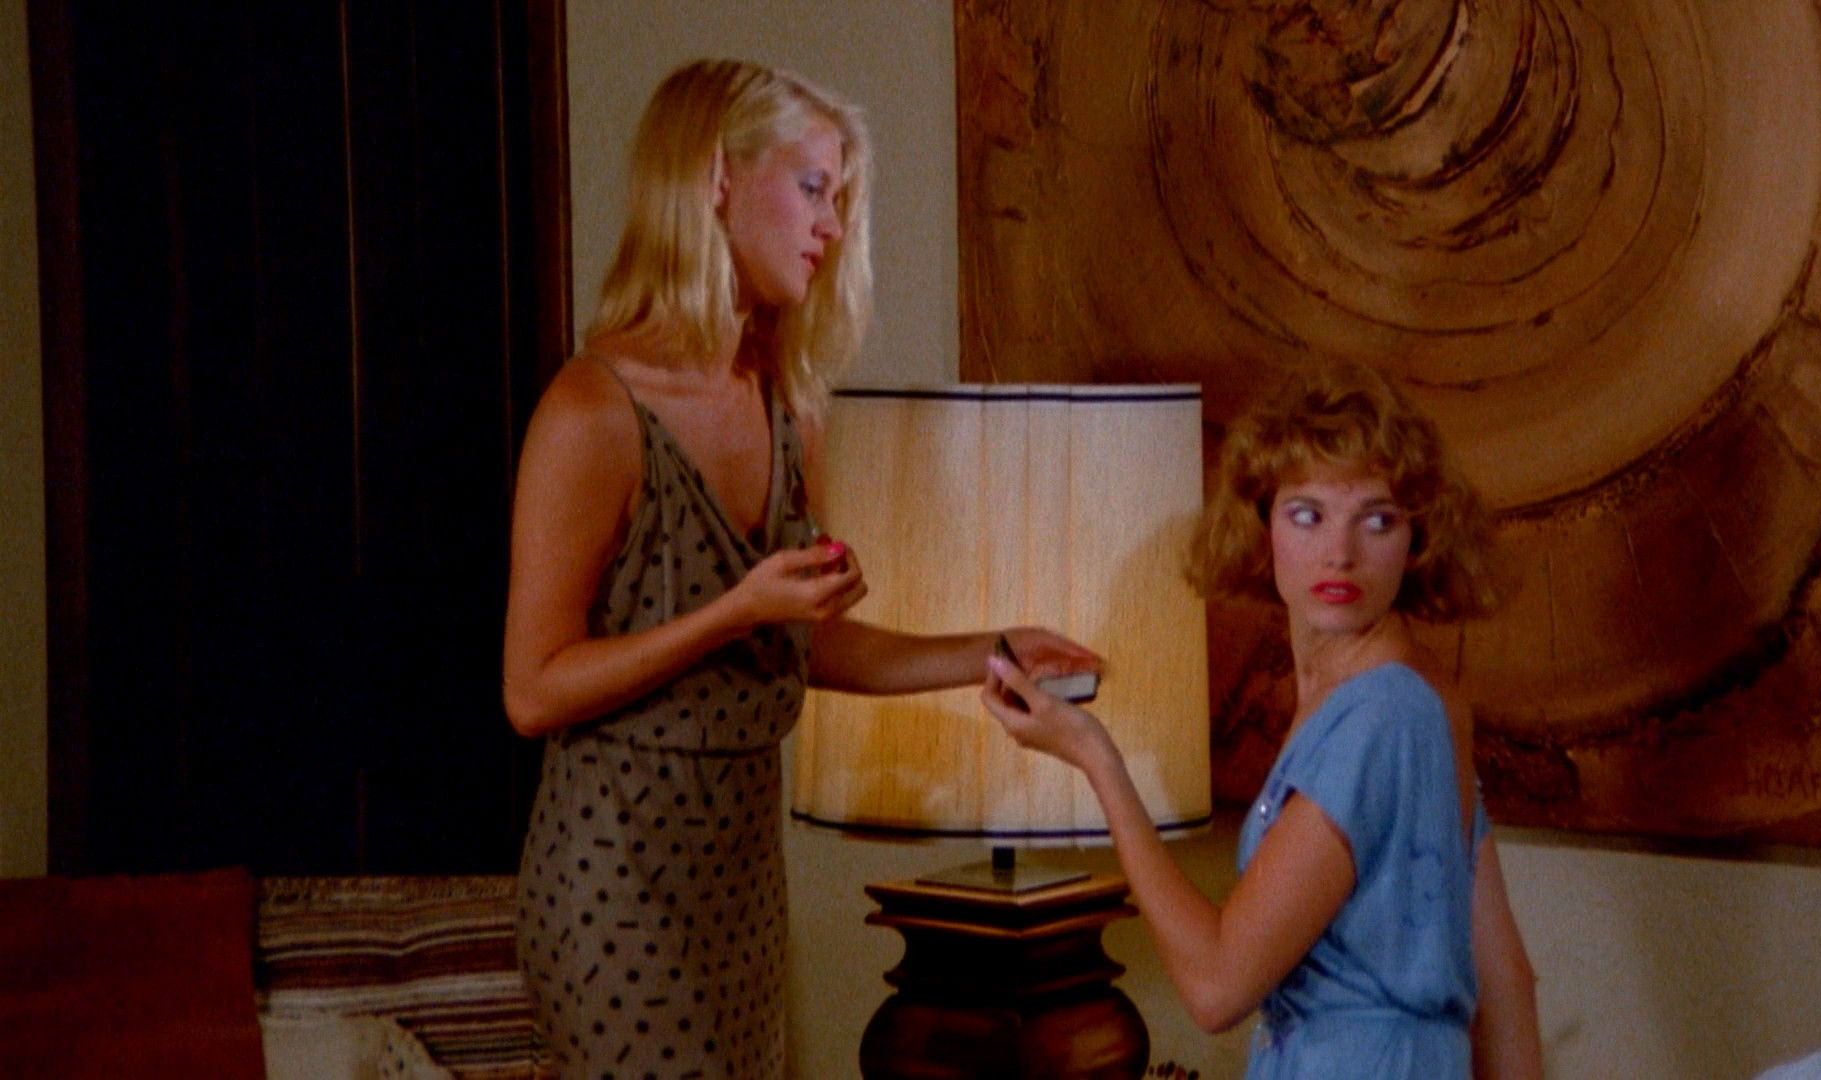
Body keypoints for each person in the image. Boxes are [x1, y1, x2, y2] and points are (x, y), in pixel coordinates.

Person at [501, 59, 1096, 1080]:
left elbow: (809, 646)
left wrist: (992, 651)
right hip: (613, 880)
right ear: (714, 179)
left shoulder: (788, 404)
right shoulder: (592, 411)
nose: (831, 225)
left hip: (738, 876)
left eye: (840, 198)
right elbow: (533, 690)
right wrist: (735, 610)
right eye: (813, 187)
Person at [981, 362, 1543, 1078]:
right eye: (1308, 515)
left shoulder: (1383, 715)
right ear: (1262, 525)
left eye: (1376, 520)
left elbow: (1216, 987)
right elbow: (1506, 981)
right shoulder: (1418, 698)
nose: (1340, 554)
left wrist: (1097, 759)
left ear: (1417, 537)